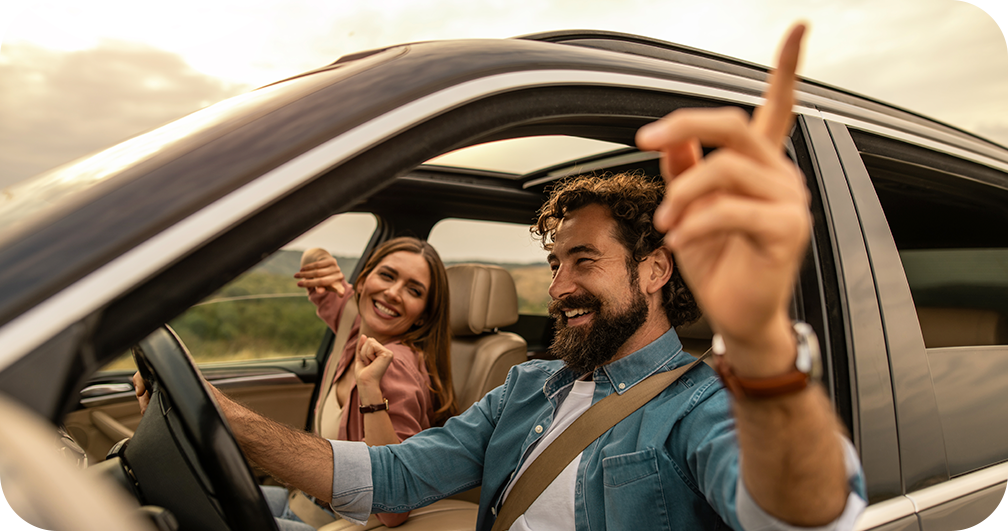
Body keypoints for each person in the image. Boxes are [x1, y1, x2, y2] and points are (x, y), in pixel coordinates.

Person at [150, 23, 869, 530]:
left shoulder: (701, 403)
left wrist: (761, 341)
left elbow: (801, 519)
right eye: (556, 263)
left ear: (655, 269)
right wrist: (224, 417)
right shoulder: (527, 386)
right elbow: (390, 479)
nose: (557, 288)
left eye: (583, 261)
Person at [136, 236, 457, 530]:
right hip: (304, 501)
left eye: (413, 290)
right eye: (387, 275)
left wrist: (372, 393)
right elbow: (316, 271)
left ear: (422, 316)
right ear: (364, 278)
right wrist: (319, 260)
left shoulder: (395, 367)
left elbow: (395, 508)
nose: (392, 293)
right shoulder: (357, 327)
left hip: (343, 523)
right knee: (168, 496)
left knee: (180, 517)